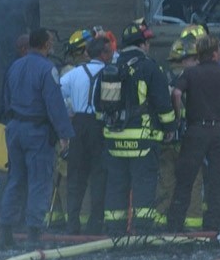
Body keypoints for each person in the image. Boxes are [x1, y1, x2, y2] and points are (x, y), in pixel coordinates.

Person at [0, 27, 75, 247]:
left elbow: (6, 99)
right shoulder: (47, 69)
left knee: (15, 179)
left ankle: (5, 232)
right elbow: (54, 104)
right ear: (46, 44)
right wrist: (64, 133)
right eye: (51, 42)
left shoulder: (15, 66)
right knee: (39, 181)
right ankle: (33, 235)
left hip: (14, 129)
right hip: (37, 131)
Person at [169, 34, 220, 233]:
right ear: (216, 53)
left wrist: (178, 118)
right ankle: (214, 226)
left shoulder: (189, 74)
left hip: (195, 131)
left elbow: (176, 93)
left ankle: (175, 225)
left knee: (185, 179)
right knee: (218, 181)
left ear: (199, 54)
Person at [100, 18, 176, 235]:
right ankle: (142, 231)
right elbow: (163, 104)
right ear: (143, 44)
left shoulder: (110, 69)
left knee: (116, 184)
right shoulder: (150, 68)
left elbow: (99, 107)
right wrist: (170, 128)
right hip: (142, 140)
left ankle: (114, 230)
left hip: (114, 140)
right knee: (143, 183)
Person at [60, 34, 110, 235]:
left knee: (76, 176)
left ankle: (72, 223)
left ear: (88, 53)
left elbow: (56, 94)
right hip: (100, 126)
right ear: (104, 54)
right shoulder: (110, 73)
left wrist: (68, 113)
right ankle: (95, 223)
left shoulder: (74, 74)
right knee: (99, 175)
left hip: (78, 125)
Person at [158, 35, 206, 230]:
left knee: (165, 179)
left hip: (167, 138)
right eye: (195, 58)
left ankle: (162, 221)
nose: (199, 62)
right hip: (190, 139)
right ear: (186, 59)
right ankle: (193, 222)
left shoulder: (163, 78)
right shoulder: (197, 78)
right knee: (193, 180)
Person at [49, 28, 94, 230]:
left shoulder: (74, 71)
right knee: (70, 175)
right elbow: (64, 105)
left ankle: (61, 218)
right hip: (70, 131)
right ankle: (77, 219)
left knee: (67, 174)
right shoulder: (71, 73)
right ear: (84, 51)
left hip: (68, 130)